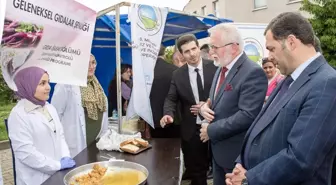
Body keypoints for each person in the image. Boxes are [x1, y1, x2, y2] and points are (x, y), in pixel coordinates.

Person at [226, 12, 336, 185]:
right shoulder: (290, 79)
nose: (269, 56)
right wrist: (241, 163)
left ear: (291, 42)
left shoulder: (327, 83)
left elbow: (301, 158)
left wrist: (249, 179)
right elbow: (260, 126)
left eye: (271, 48)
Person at [199, 23, 268, 185]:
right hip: (218, 153)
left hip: (235, 158)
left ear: (234, 47)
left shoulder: (252, 72)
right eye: (211, 47)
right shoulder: (221, 67)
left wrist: (211, 130)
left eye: (215, 47)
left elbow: (248, 115)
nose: (211, 52)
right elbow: (215, 100)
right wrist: (204, 107)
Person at [161, 34, 217, 185]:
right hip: (192, 132)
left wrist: (207, 105)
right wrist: (168, 114)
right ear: (181, 54)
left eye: (194, 49)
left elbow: (224, 93)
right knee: (197, 172)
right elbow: (171, 98)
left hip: (216, 126)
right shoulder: (177, 75)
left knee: (220, 168)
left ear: (199, 48)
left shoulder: (215, 67)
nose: (192, 54)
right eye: (187, 51)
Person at [8, 67, 75, 185]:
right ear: (28, 85)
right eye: (42, 83)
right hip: (35, 179)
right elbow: (26, 153)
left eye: (48, 82)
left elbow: (60, 135)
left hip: (58, 173)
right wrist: (56, 165)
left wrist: (65, 156)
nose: (48, 87)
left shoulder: (49, 107)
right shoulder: (18, 115)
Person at [51, 54, 109, 157]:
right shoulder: (65, 85)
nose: (91, 66)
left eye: (93, 62)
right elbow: (55, 117)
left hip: (96, 145)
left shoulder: (96, 85)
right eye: (87, 63)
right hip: (75, 147)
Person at [149, 45, 179, 138]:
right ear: (164, 54)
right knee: (175, 150)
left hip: (152, 120)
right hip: (174, 119)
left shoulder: (146, 72)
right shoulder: (175, 71)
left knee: (156, 150)